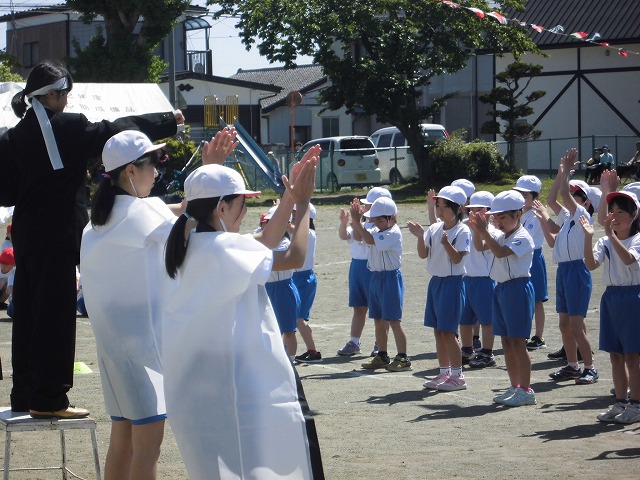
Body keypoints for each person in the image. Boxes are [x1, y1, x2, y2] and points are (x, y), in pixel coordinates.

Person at [0, 61, 183, 418]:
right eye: (64, 93)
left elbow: (5, 194)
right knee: (55, 315)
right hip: (61, 232)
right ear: (52, 95)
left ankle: (23, 392)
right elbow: (114, 131)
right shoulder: (69, 126)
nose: (67, 100)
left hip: (25, 232)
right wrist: (167, 121)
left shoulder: (11, 137)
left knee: (26, 313)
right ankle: (49, 399)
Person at [80, 128, 238, 480]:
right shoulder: (140, 213)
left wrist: (207, 172)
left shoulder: (96, 223)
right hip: (143, 351)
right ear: (130, 171)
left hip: (114, 351)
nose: (158, 170)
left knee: (122, 442)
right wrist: (209, 174)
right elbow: (190, 222)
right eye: (153, 162)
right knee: (147, 449)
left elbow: (176, 213)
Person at [162, 147, 321, 479]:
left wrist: (289, 197)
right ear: (221, 207)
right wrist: (303, 205)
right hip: (237, 385)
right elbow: (293, 256)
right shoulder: (225, 248)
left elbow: (264, 238)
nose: (246, 210)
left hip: (198, 383)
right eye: (241, 203)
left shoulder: (190, 243)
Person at [468, 190, 536, 407]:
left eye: (503, 217)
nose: (498, 221)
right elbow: (480, 247)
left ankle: (526, 389)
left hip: (518, 289)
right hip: (501, 289)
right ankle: (514, 386)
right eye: (495, 217)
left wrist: (484, 231)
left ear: (518, 213)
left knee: (518, 341)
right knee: (506, 342)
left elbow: (499, 252)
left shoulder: (523, 236)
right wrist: (478, 231)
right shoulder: (498, 234)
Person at [581, 185, 640, 424]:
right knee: (615, 355)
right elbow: (590, 264)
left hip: (633, 297)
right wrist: (588, 237)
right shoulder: (606, 240)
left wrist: (611, 236)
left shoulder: (637, 239)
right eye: (611, 211)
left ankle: (636, 404)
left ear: (634, 215)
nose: (614, 217)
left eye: (620, 212)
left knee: (632, 356)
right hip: (611, 298)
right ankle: (621, 402)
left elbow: (628, 260)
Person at [408, 186, 470, 390]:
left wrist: (446, 244)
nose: (439, 210)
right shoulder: (435, 228)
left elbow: (458, 258)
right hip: (436, 283)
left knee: (449, 332)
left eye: (445, 206)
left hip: (452, 283)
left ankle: (458, 377)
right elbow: (423, 254)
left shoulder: (462, 230)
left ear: (458, 209)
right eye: (438, 205)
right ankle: (443, 373)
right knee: (438, 331)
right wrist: (419, 236)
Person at [546, 149, 598, 385]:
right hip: (564, 270)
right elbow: (551, 199)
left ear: (586, 202)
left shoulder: (582, 215)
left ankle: (590, 367)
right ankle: (572, 365)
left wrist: (566, 173)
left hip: (577, 270)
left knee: (576, 326)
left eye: (578, 195)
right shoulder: (568, 217)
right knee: (564, 325)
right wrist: (560, 173)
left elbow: (564, 194)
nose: (572, 197)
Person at [350, 196, 411, 372]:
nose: (376, 223)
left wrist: (356, 221)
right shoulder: (377, 230)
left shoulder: (393, 232)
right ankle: (382, 355)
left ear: (392, 217)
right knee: (378, 319)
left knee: (394, 320)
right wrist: (357, 221)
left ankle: (403, 357)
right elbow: (361, 238)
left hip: (390, 278)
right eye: (374, 219)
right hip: (375, 277)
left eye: (379, 219)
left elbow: (368, 240)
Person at [337, 187, 392, 357]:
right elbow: (345, 236)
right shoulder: (363, 222)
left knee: (379, 309)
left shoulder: (379, 225)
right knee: (359, 307)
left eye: (369, 205)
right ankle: (354, 341)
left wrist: (356, 220)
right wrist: (345, 221)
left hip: (372, 268)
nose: (365, 207)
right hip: (357, 267)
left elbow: (362, 238)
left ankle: (379, 344)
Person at [513, 175, 549, 351]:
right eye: (519, 194)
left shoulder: (534, 216)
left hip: (533, 257)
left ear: (536, 198)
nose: (521, 199)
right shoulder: (517, 213)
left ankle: (539, 336)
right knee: (522, 298)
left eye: (526, 196)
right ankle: (522, 334)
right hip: (520, 258)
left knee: (537, 299)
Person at [462, 192, 498, 369]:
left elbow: (482, 247)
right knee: (465, 319)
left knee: (487, 320)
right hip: (467, 278)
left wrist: (478, 229)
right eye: (471, 210)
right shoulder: (464, 227)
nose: (473, 214)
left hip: (485, 280)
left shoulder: (492, 231)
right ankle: (467, 348)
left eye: (478, 210)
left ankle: (487, 351)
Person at [293, 204, 323, 364]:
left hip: (303, 278)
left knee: (298, 318)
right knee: (295, 318)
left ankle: (313, 352)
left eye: (294, 213)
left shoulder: (308, 233)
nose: (291, 216)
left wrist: (279, 214)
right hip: (296, 277)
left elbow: (291, 229)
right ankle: (311, 350)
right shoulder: (301, 231)